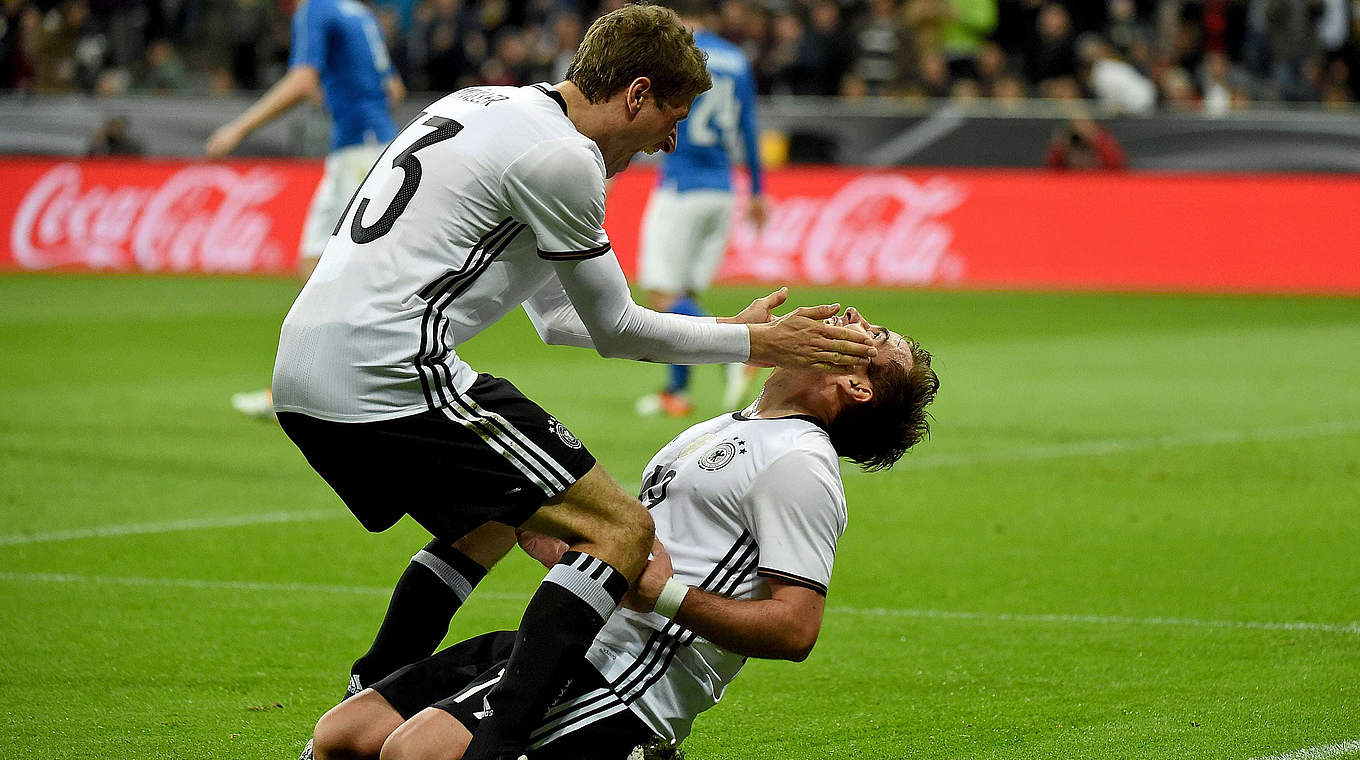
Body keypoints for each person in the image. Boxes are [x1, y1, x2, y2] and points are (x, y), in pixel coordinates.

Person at [270, 6, 880, 759]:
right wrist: (754, 339)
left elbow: (562, 320)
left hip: (304, 370)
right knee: (620, 529)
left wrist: (730, 334)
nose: (670, 141)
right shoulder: (565, 160)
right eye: (672, 117)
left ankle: (370, 696)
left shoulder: (482, 107)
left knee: (498, 518)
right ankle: (501, 747)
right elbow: (616, 327)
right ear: (637, 93)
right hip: (395, 369)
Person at [306, 308, 939, 760]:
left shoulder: (800, 462)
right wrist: (563, 543)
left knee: (415, 755)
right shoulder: (730, 427)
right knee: (341, 736)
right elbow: (639, 538)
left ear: (856, 386)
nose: (854, 314)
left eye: (874, 336)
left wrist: (665, 597)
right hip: (564, 637)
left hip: (628, 679)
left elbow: (796, 628)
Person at [205, 0, 405, 420]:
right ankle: (313, 385)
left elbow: (300, 81)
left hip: (355, 152)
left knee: (344, 274)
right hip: (376, 143)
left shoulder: (314, 10)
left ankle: (351, 388)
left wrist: (238, 128)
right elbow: (393, 90)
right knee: (316, 265)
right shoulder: (358, 12)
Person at [634, 0, 768, 419]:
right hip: (722, 190)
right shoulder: (738, 58)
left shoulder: (680, 54)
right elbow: (749, 127)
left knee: (662, 294)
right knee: (684, 295)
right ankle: (677, 392)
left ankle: (737, 351)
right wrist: (759, 190)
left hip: (682, 185)